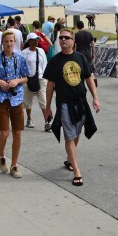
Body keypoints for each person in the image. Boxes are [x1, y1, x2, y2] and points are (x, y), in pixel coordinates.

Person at [42, 28, 100, 187]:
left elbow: (89, 78)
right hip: (64, 103)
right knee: (69, 135)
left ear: (73, 42)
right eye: (61, 38)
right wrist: (47, 107)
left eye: (67, 38)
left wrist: (95, 98)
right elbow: (49, 87)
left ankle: (69, 159)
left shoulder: (80, 57)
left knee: (77, 132)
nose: (63, 40)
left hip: (81, 102)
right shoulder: (54, 61)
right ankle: (77, 171)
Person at [0, 31, 29, 179]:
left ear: (15, 42)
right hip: (1, 98)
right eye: (6, 41)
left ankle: (14, 165)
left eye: (11, 41)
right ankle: (1, 154)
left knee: (17, 132)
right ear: (2, 43)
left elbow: (26, 77)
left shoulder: (20, 59)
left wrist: (17, 81)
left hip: (17, 99)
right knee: (4, 132)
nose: (9, 44)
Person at [21, 32, 48, 130]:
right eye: (34, 40)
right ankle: (29, 118)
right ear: (29, 41)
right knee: (28, 101)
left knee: (43, 100)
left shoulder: (41, 51)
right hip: (28, 78)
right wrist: (24, 76)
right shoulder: (24, 53)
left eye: (37, 39)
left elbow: (45, 64)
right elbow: (22, 66)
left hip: (40, 77)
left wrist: (45, 77)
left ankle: (47, 122)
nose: (36, 41)